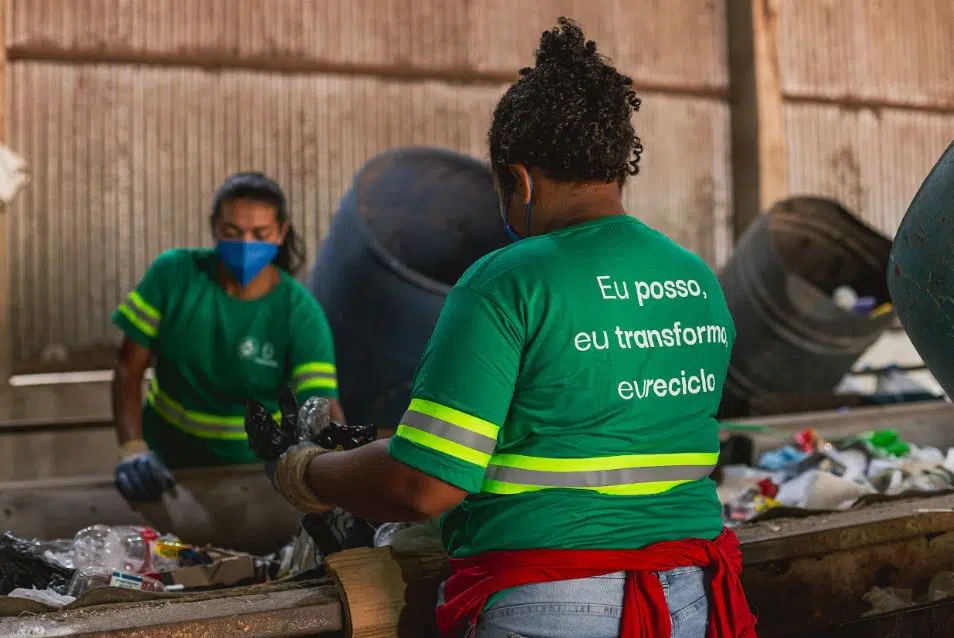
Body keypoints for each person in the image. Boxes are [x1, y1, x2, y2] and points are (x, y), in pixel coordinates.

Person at [265, 18, 756, 638]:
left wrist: (308, 471)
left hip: (552, 603)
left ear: (519, 180)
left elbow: (426, 485)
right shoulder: (696, 281)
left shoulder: (506, 281)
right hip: (685, 599)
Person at [111, 172, 345, 503]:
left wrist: (337, 468)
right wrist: (132, 450)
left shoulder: (299, 313)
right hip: (165, 466)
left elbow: (320, 406)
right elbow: (127, 369)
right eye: (232, 232)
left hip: (253, 474)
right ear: (214, 228)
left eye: (260, 233)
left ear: (281, 233)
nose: (246, 245)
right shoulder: (173, 276)